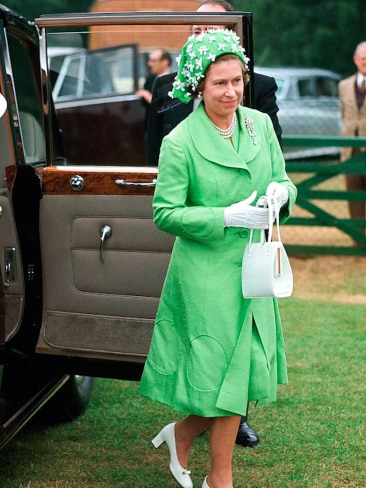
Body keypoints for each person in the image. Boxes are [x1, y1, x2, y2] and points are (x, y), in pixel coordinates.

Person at [140, 29, 297, 488]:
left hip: (254, 267)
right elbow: (165, 213)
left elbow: (286, 181)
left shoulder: (259, 125)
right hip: (206, 273)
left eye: (237, 81)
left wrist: (278, 193)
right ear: (197, 87)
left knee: (240, 373)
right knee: (220, 375)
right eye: (219, 84)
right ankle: (220, 479)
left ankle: (183, 438)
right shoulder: (180, 141)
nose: (231, 92)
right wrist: (224, 215)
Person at [146, 0, 282, 168]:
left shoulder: (260, 87)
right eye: (197, 31)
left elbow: (273, 154)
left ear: (232, 34)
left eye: (211, 31)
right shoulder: (165, 86)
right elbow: (153, 153)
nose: (203, 38)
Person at [338, 41, 366, 241]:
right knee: (353, 193)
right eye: (363, 58)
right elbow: (344, 115)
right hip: (350, 149)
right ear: (356, 60)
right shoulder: (344, 85)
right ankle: (357, 236)